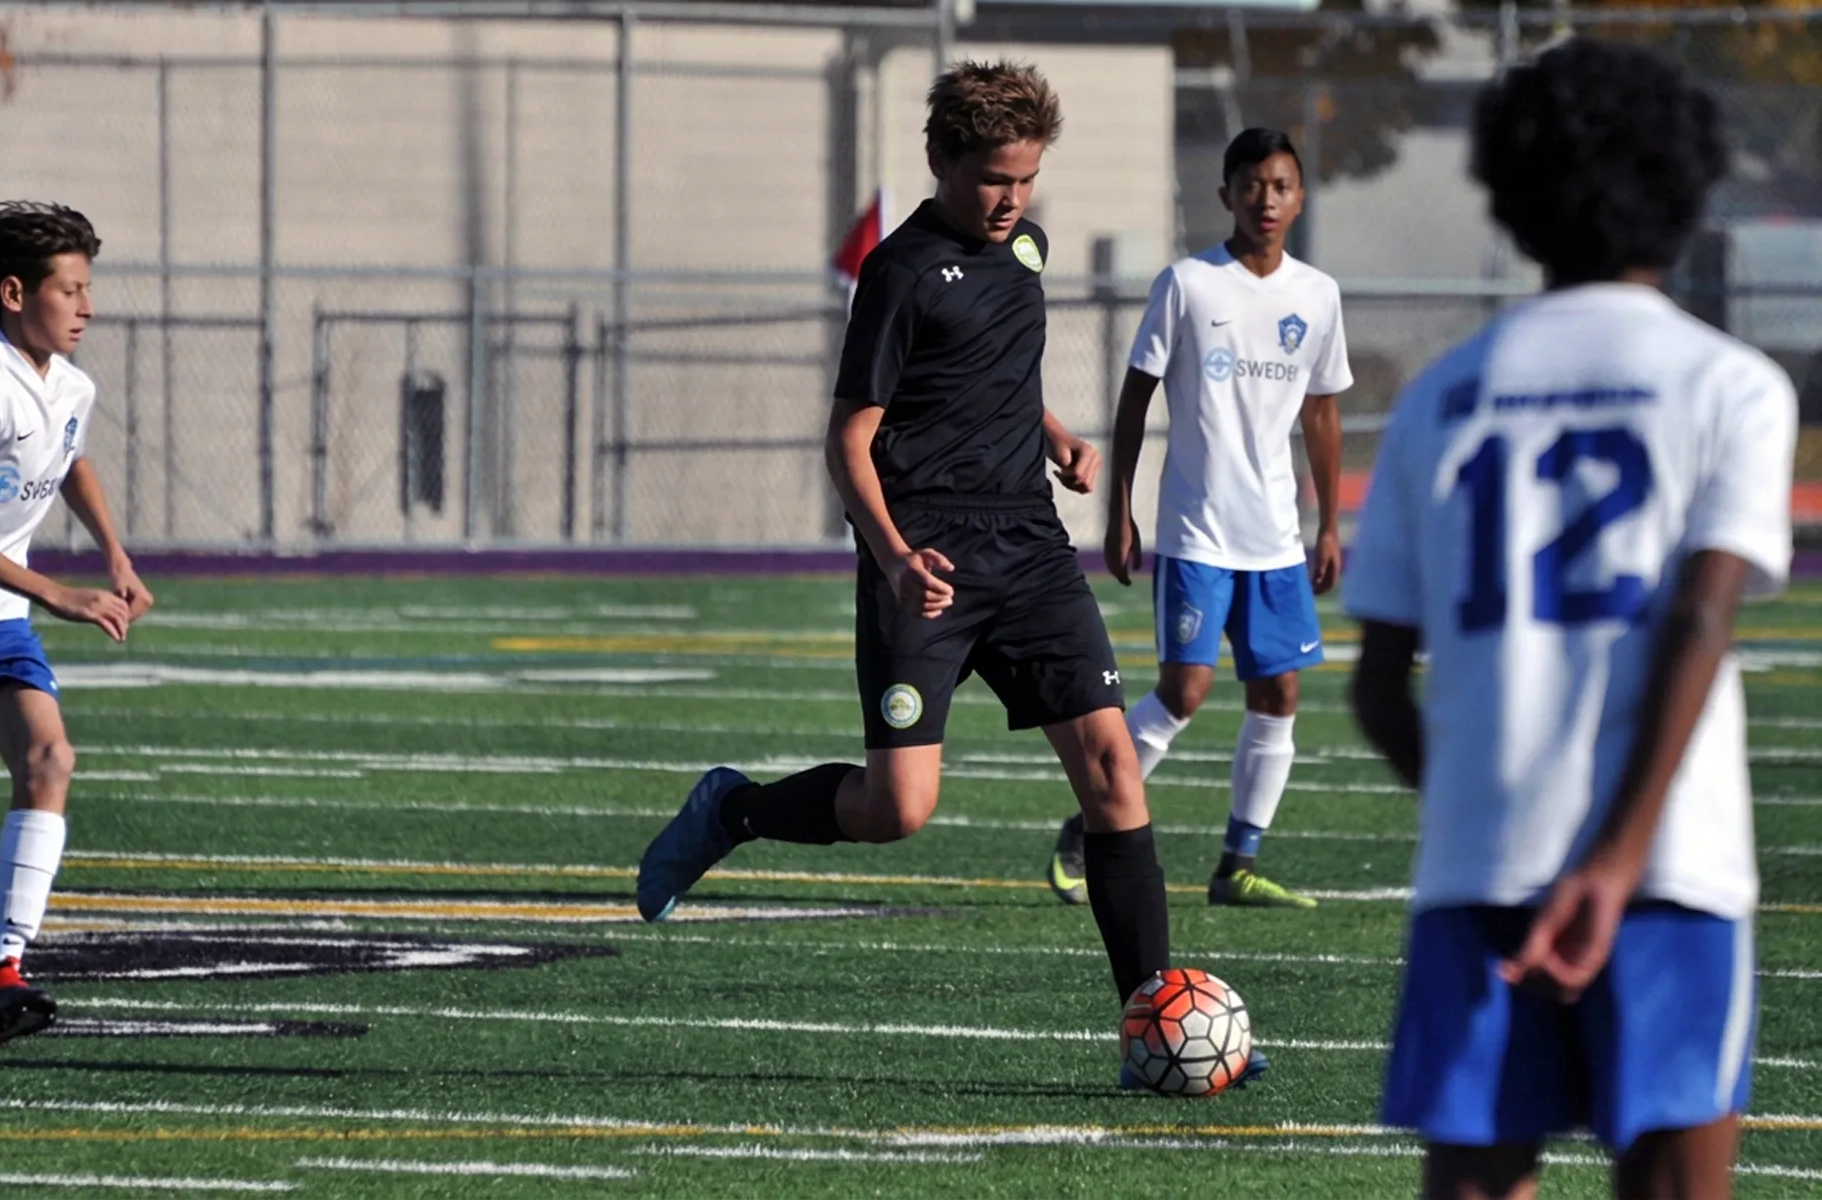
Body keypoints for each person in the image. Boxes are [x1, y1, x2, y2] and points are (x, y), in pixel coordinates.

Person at [637, 63, 1265, 1086]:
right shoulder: (900, 271)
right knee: (899, 809)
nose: (1010, 198)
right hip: (923, 557)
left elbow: (995, 375)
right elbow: (848, 439)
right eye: (990, 179)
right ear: (939, 163)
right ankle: (735, 810)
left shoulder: (1024, 245)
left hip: (1028, 545)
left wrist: (1056, 436)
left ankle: (1150, 1024)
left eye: (1024, 178)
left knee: (1112, 772)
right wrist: (892, 559)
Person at [1343, 39, 1789, 1200]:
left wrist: (1496, 817)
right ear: (1686, 189)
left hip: (1483, 870)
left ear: (1513, 197)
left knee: (1476, 1183)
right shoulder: (1729, 383)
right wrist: (1616, 853)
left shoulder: (1440, 396)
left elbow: (1378, 689)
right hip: (1670, 872)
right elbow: (1697, 624)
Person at [1047, 128, 1351, 910]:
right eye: (1252, 185)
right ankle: (1088, 823)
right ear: (1226, 194)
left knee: (1279, 695)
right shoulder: (1188, 284)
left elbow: (1321, 412)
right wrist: (1120, 508)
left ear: (1300, 197)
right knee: (1184, 692)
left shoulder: (1317, 295)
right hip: (1197, 531)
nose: (1267, 200)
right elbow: (1135, 395)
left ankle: (1237, 864)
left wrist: (1325, 524)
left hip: (1277, 537)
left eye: (1282, 186)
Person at [0, 201, 154, 1046]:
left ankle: (0, 978)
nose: (87, 305)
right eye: (71, 289)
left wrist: (115, 556)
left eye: (89, 287)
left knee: (49, 756)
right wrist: (58, 592)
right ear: (15, 293)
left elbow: (68, 457)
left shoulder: (68, 382)